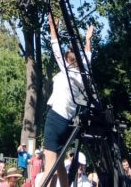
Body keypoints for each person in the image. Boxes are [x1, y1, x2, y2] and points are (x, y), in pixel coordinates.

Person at [43, 15, 94, 187]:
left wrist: (52, 27)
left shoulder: (66, 70)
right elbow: (88, 55)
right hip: (68, 123)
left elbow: (55, 46)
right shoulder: (83, 74)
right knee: (59, 165)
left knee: (50, 162)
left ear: (67, 59)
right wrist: (88, 39)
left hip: (56, 117)